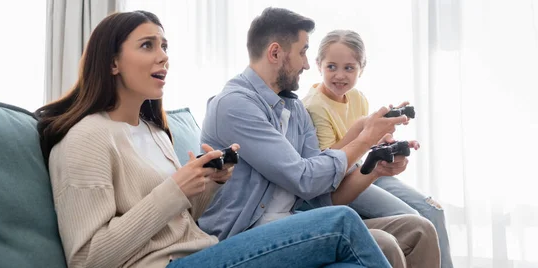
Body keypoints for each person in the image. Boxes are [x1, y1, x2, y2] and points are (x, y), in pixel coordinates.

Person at [35, 10, 393, 268]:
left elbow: (183, 218)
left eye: (164, 45)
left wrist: (210, 183)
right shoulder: (85, 138)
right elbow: (87, 259)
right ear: (112, 62)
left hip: (202, 251)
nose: (163, 56)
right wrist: (175, 188)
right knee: (342, 223)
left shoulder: (154, 131)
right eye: (147, 45)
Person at [199, 7, 441, 268]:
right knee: (383, 243)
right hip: (244, 234)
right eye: (302, 51)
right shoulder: (235, 105)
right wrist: (364, 139)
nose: (306, 63)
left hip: (291, 222)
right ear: (275, 53)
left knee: (419, 230)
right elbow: (304, 178)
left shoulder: (293, 108)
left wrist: (374, 169)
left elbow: (322, 194)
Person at [301, 29, 453, 268]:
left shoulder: (357, 97)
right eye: (331, 67)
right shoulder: (314, 106)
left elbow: (366, 142)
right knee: (416, 222)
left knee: (433, 211)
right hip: (344, 180)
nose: (339, 75)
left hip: (363, 167)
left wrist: (387, 138)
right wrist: (366, 133)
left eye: (349, 68)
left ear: (361, 68)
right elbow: (328, 163)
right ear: (318, 64)